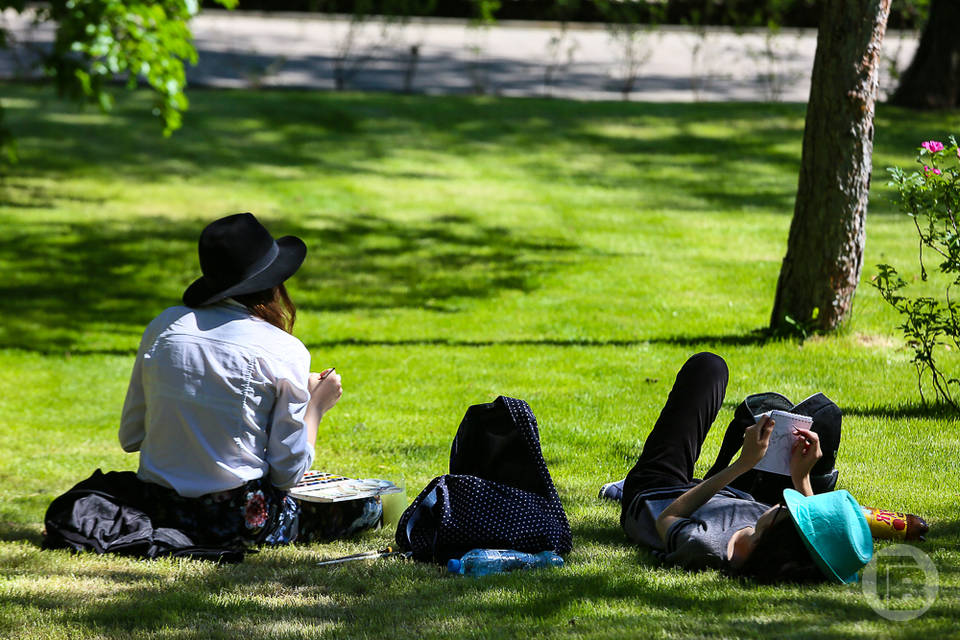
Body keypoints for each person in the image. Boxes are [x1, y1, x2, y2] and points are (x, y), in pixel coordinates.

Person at [118, 212, 343, 548]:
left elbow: (130, 436)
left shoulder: (164, 326)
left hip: (155, 508)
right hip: (235, 519)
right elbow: (287, 474)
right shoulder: (283, 349)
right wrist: (315, 407)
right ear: (273, 283)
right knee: (367, 507)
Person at [618, 352, 873, 583]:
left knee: (709, 367)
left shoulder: (705, 547)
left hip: (659, 491)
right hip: (730, 497)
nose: (785, 501)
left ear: (775, 532)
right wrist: (802, 476)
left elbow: (668, 517)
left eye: (787, 507)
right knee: (821, 425)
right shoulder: (773, 538)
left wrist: (743, 464)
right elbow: (816, 535)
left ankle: (619, 490)